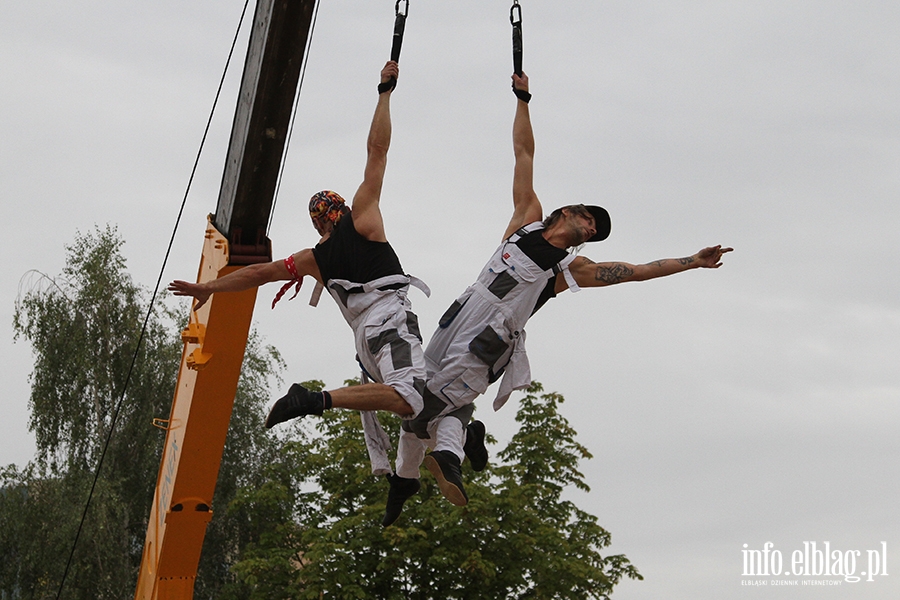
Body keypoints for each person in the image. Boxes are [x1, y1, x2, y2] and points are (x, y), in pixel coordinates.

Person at [379, 70, 733, 526]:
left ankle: (445, 458)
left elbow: (639, 272)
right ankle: (434, 460)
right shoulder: (526, 220)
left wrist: (693, 260)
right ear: (567, 210)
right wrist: (522, 98)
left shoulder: (568, 269)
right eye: (589, 219)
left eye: (596, 231)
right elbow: (523, 152)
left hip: (488, 339)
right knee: (415, 399)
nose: (591, 229)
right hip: (458, 318)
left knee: (423, 405)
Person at [168, 62, 480, 479]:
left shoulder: (313, 259)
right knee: (410, 397)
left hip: (364, 342)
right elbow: (377, 152)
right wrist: (385, 93)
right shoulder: (364, 219)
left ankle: (414, 460)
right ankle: (315, 401)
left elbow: (259, 274)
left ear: (318, 223)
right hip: (389, 320)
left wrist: (209, 286)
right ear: (341, 210)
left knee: (412, 395)